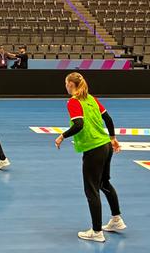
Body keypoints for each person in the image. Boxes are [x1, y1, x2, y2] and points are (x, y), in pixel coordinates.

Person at [54, 72, 125, 243]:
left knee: (91, 189)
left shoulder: (73, 102)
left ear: (71, 85)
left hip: (94, 149)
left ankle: (96, 231)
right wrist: (113, 139)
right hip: (105, 146)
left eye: (66, 83)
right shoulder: (91, 99)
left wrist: (62, 136)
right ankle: (116, 220)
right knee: (104, 183)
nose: (65, 86)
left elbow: (78, 125)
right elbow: (108, 118)